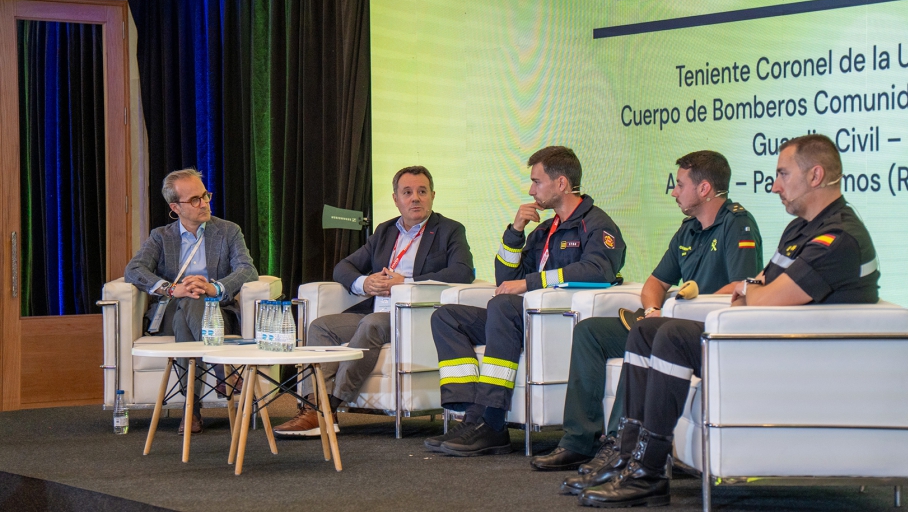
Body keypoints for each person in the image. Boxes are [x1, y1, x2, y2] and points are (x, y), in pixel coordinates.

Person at [571, 134, 881, 508]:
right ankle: (627, 455)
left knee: (670, 336)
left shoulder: (838, 237)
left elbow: (762, 297)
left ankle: (649, 472)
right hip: (769, 341)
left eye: (783, 174)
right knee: (648, 330)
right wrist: (752, 291)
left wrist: (751, 291)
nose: (774, 185)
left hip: (798, 356)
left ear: (815, 176)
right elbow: (756, 287)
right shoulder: (802, 228)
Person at [531, 151, 763, 472]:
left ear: (705, 189)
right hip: (670, 322)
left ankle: (618, 444)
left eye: (679, 184)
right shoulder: (688, 229)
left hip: (704, 332)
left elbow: (741, 287)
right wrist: (655, 307)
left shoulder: (738, 225)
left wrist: (676, 308)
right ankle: (576, 441)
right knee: (591, 332)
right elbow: (654, 283)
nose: (673, 191)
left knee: (643, 336)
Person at [426, 145, 627, 457]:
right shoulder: (546, 228)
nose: (532, 190)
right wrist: (515, 232)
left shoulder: (596, 224)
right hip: (522, 317)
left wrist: (532, 282)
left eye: (537, 182)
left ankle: (492, 424)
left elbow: (598, 270)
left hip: (558, 319)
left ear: (561, 183)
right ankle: (473, 417)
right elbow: (504, 279)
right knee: (447, 317)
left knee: (503, 306)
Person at [273, 166, 474, 439]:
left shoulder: (449, 230)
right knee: (322, 327)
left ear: (432, 196)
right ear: (396, 199)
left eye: (422, 191)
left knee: (372, 324)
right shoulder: (385, 231)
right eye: (407, 192)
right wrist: (364, 283)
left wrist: (405, 283)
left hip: (414, 313)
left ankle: (324, 409)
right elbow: (343, 268)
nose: (415, 198)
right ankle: (314, 404)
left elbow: (462, 272)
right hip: (376, 308)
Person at [125, 168, 258, 434]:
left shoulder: (228, 231)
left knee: (192, 305)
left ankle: (191, 412)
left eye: (205, 195)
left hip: (218, 313)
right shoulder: (161, 236)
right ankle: (224, 370)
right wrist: (172, 290)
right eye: (195, 200)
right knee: (187, 299)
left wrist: (212, 287)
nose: (205, 203)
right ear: (175, 207)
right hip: (171, 312)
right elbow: (134, 270)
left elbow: (247, 270)